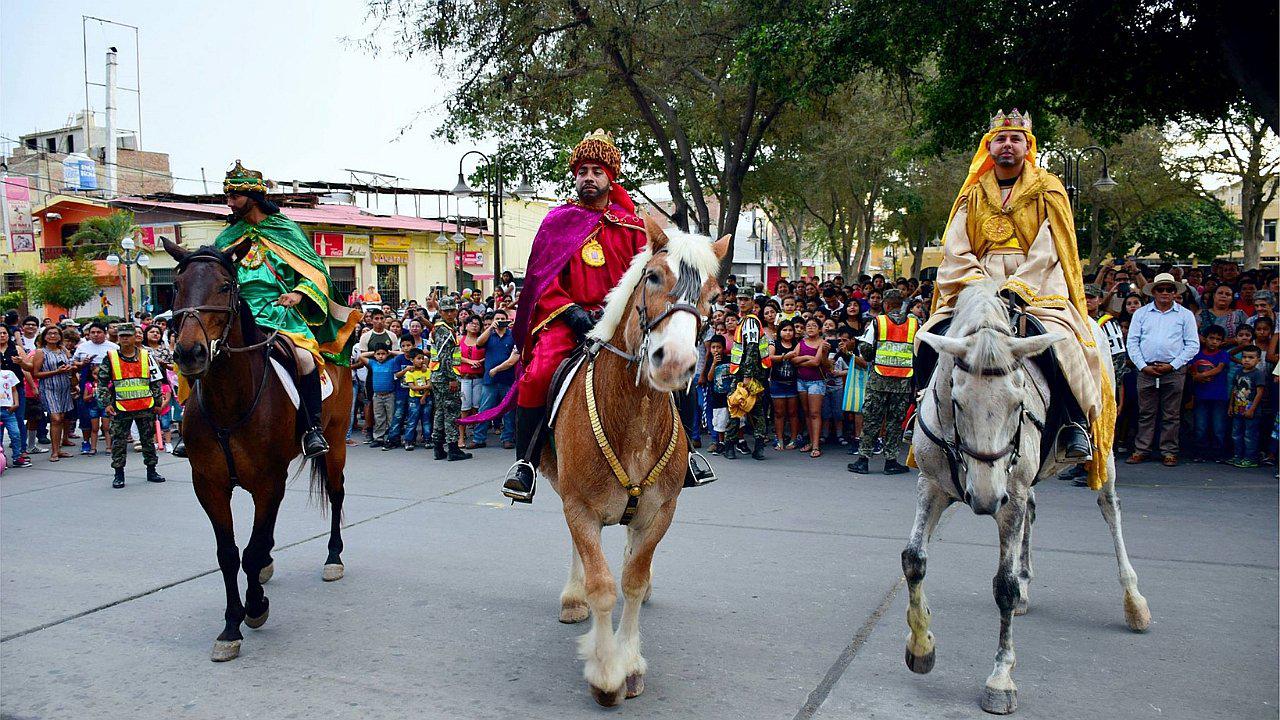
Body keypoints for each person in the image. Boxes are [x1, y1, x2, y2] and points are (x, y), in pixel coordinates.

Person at [915, 109, 1113, 487]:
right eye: (1001, 139)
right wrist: (978, 284)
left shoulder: (1049, 187)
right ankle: (923, 409)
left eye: (1015, 139)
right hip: (977, 282)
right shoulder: (972, 191)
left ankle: (1072, 426)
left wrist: (1017, 286)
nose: (1008, 145)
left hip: (1037, 283)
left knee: (1067, 344)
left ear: (1028, 146)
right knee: (931, 333)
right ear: (989, 146)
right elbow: (956, 245)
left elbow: (1051, 242)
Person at [480, 130, 651, 501]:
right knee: (538, 374)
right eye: (583, 171)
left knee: (664, 364)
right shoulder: (558, 221)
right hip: (567, 319)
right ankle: (524, 464)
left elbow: (644, 280)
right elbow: (542, 280)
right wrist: (571, 311)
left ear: (610, 177)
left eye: (597, 171)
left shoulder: (634, 227)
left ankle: (686, 456)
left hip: (618, 322)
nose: (588, 177)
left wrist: (617, 313)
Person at [212, 161, 361, 458]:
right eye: (227, 197)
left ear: (253, 197)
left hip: (280, 314)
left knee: (305, 359)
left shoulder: (286, 230)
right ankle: (193, 427)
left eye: (234, 197)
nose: (229, 203)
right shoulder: (226, 238)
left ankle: (312, 429)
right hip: (238, 316)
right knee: (199, 354)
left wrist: (298, 292)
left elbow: (316, 273)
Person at [1126, 272, 1200, 466]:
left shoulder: (1185, 315)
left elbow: (1192, 345)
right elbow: (1132, 342)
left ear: (1175, 292)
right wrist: (1142, 366)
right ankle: (1142, 449)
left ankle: (1169, 451)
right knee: (1145, 413)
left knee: (1172, 414)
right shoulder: (1141, 313)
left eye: (1169, 289)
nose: (1165, 293)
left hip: (1174, 370)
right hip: (1146, 369)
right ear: (1154, 292)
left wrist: (1173, 365)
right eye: (1161, 289)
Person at [849, 288, 915, 475]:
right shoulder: (914, 323)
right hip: (903, 381)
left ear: (886, 304)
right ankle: (891, 462)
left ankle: (863, 460)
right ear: (902, 304)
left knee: (871, 420)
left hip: (879, 379)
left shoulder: (878, 322)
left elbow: (866, 350)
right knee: (895, 422)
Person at [96, 324, 165, 488]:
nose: (125, 338)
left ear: (135, 337)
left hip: (145, 406)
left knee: (148, 440)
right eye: (122, 336)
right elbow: (102, 382)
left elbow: (155, 380)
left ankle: (151, 470)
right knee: (119, 442)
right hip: (121, 407)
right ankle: (119, 474)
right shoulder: (111, 357)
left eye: (128, 335)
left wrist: (157, 401)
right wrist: (106, 404)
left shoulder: (146, 355)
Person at [725, 292, 771, 460]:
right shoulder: (746, 320)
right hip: (750, 371)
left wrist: (747, 376)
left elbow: (751, 348)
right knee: (755, 408)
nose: (742, 302)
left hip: (745, 373)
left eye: (745, 300)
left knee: (736, 406)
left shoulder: (750, 321)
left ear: (752, 302)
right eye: (739, 300)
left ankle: (730, 446)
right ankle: (758, 448)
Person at [430, 296, 471, 461]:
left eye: (452, 310)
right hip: (446, 377)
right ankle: (453, 448)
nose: (449, 313)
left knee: (440, 412)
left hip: (438, 376)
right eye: (446, 311)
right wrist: (452, 379)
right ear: (440, 312)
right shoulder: (444, 330)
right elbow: (446, 357)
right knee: (451, 412)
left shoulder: (444, 328)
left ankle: (438, 448)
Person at [32, 326, 81, 462]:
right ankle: (54, 452)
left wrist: (72, 374)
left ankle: (58, 448)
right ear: (45, 336)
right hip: (49, 387)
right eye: (50, 333)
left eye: (55, 333)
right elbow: (36, 374)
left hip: (64, 387)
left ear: (60, 336)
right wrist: (56, 372)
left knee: (62, 416)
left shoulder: (63, 350)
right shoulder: (41, 352)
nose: (52, 336)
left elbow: (71, 365)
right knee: (55, 418)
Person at [474, 310, 518, 449]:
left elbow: (514, 358)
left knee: (508, 411)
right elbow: (478, 343)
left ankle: (507, 438)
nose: (500, 320)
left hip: (508, 379)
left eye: (502, 318)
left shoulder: (512, 336)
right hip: (489, 380)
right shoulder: (489, 335)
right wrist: (490, 328)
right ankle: (478, 438)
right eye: (497, 318)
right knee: (484, 409)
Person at [1190, 326, 1230, 463]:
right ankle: (1200, 453)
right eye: (1211, 338)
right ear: (1204, 339)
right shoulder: (1197, 354)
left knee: (1218, 427)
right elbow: (1191, 369)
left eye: (1218, 339)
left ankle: (1219, 453)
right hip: (1201, 396)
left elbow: (1219, 368)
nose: (1214, 342)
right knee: (1200, 426)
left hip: (1219, 396)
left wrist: (1201, 375)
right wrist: (1196, 376)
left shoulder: (1223, 354)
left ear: (1222, 342)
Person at [1227, 345, 1266, 468]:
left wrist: (1252, 409)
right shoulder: (1238, 372)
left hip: (1251, 412)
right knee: (1236, 434)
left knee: (1250, 435)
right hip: (1238, 409)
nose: (1247, 360)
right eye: (1244, 357)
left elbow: (1260, 392)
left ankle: (1250, 458)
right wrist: (1230, 406)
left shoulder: (1258, 374)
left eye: (1251, 357)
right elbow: (1234, 389)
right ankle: (1238, 456)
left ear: (1258, 360)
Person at [768, 320, 800, 451]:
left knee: (793, 413)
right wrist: (785, 356)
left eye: (790, 330)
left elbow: (799, 357)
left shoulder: (797, 344)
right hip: (777, 383)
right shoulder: (774, 343)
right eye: (785, 330)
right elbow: (769, 357)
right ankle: (779, 439)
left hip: (792, 383)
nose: (788, 333)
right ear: (779, 332)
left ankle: (793, 439)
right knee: (779, 413)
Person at [458, 315, 486, 448]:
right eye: (472, 323)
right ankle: (461, 437)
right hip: (464, 377)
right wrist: (470, 361)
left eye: (477, 324)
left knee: (477, 408)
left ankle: (476, 436)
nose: (475, 325)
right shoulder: (460, 339)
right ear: (466, 325)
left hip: (479, 377)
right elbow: (455, 356)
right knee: (464, 408)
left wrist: (481, 362)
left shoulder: (483, 340)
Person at [398, 348, 432, 451]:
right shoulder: (409, 373)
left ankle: (427, 439)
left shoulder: (427, 371)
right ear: (412, 360)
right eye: (418, 358)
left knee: (426, 420)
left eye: (422, 358)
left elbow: (430, 385)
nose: (421, 361)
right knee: (412, 420)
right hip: (414, 399)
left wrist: (424, 396)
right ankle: (408, 440)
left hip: (426, 398)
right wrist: (426, 387)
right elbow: (412, 387)